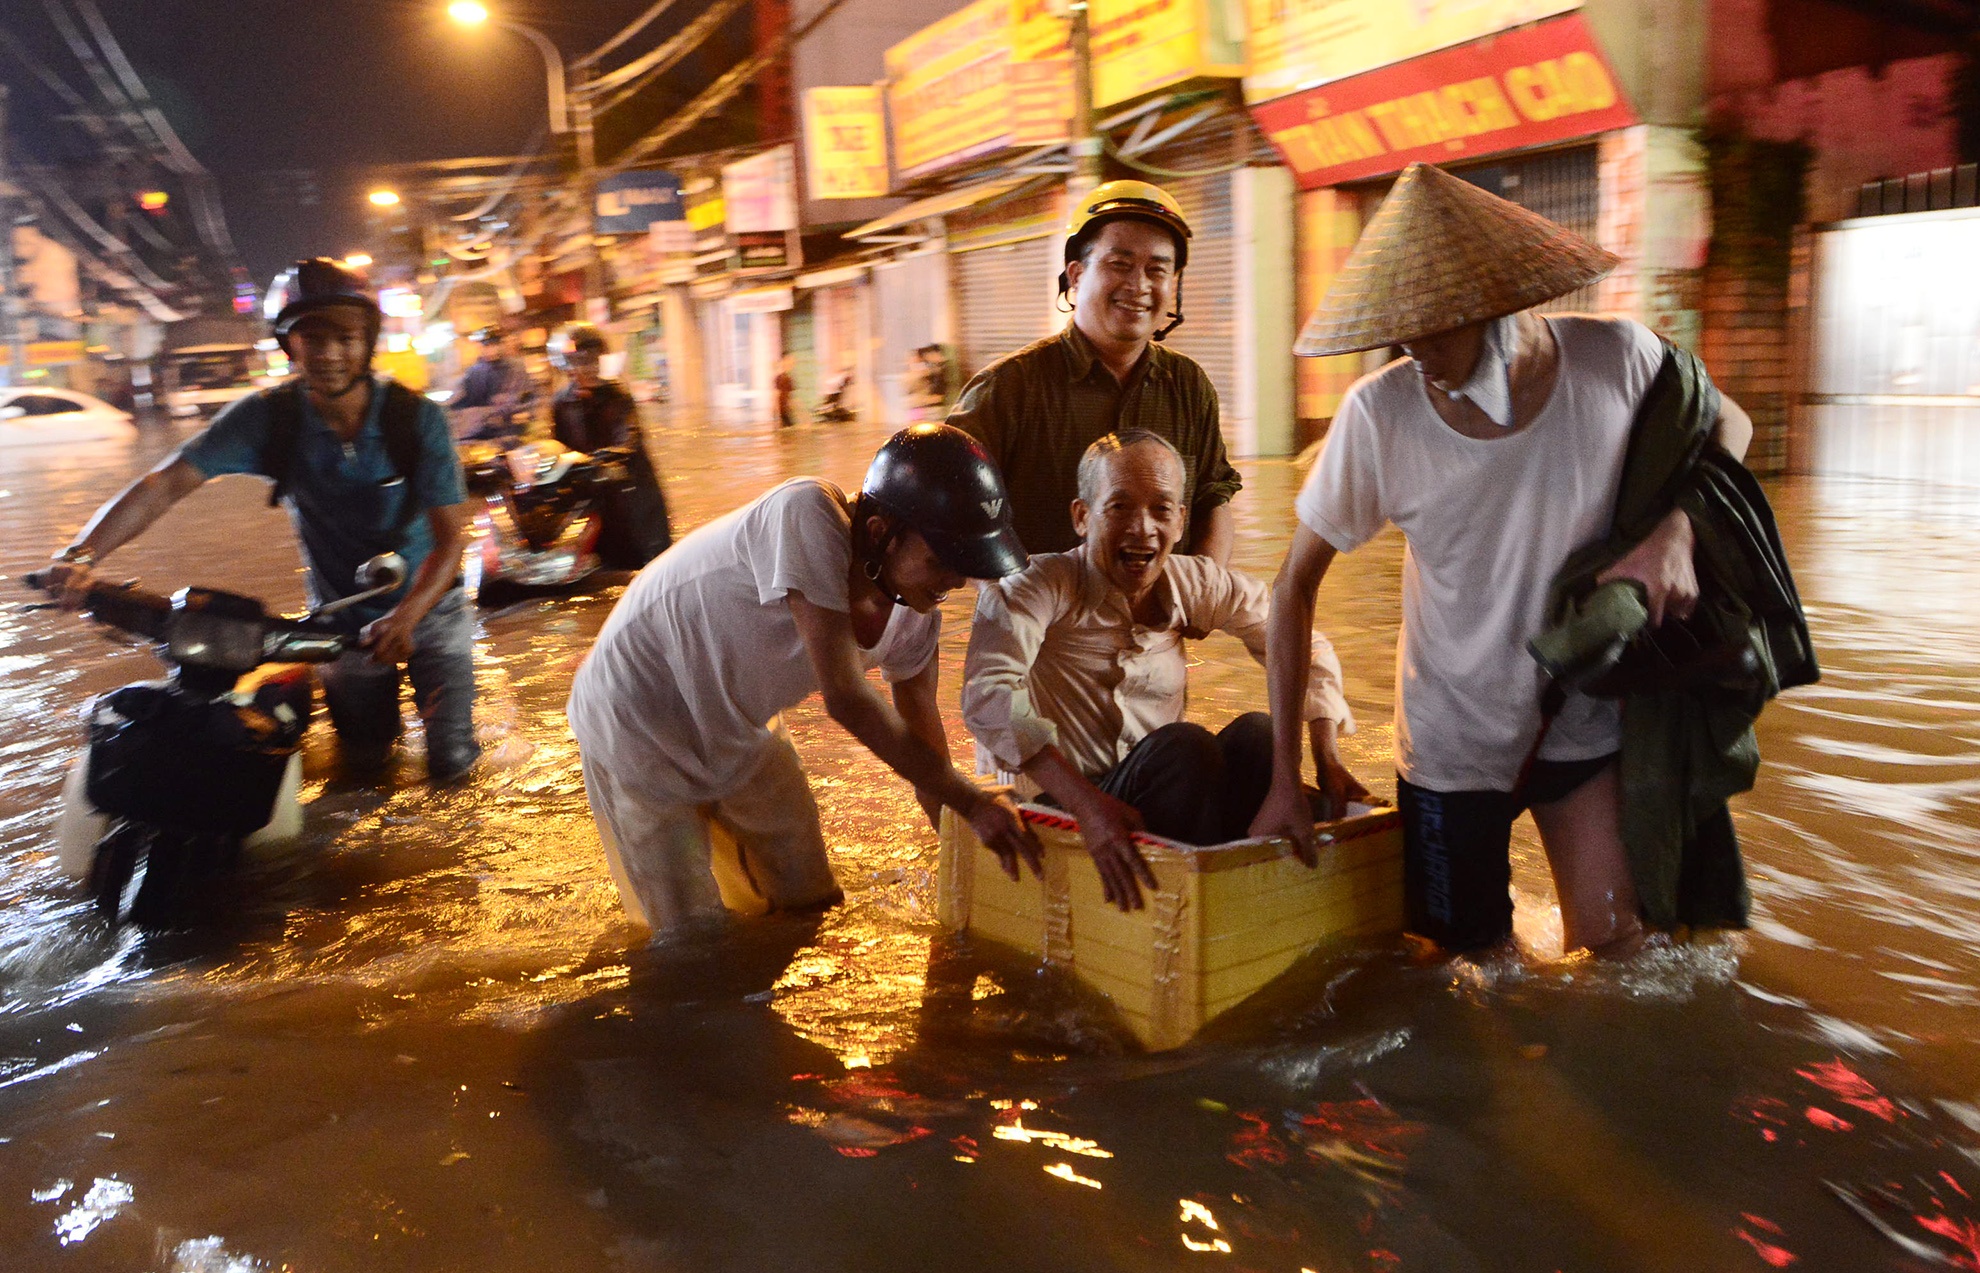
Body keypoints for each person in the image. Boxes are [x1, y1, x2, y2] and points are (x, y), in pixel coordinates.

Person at [1249, 162, 1756, 959]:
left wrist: (1677, 534)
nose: (1413, 347)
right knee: (1473, 979)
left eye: (1435, 323)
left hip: (1581, 719)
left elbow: (1732, 427)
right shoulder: (1378, 416)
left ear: (1498, 303)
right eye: (1399, 326)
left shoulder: (1617, 361)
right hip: (1452, 747)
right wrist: (1285, 775)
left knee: (1624, 954)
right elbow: (1291, 588)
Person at [566, 423, 1044, 937]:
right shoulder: (808, 512)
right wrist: (973, 800)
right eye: (940, 561)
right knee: (689, 935)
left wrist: (960, 852)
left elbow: (927, 746)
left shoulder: (916, 618)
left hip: (737, 721)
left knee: (810, 896)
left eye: (967, 565)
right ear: (881, 532)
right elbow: (846, 699)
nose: (956, 581)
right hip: (635, 709)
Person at [49, 258, 478, 781]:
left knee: (453, 762)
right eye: (311, 338)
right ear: (288, 345)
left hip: (431, 611)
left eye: (345, 337)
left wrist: (407, 616)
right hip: (340, 624)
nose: (329, 354)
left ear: (368, 341)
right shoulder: (267, 418)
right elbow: (163, 486)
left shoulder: (416, 420)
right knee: (366, 764)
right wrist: (81, 554)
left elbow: (452, 539)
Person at [962, 430, 1359, 912]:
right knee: (1185, 749)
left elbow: (1303, 642)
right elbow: (988, 693)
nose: (1142, 528)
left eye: (1161, 510)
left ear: (1181, 521)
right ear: (1082, 517)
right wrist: (1088, 805)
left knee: (1262, 736)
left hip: (1158, 803)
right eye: (1120, 508)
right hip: (1060, 808)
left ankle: (1262, 877)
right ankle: (1197, 903)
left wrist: (1326, 756)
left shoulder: (1193, 583)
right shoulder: (1036, 585)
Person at [949, 180, 1242, 564]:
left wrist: (1202, 591)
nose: (1138, 285)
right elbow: (949, 510)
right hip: (1037, 620)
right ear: (1075, 275)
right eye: (1119, 264)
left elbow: (1212, 497)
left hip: (1160, 620)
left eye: (1157, 270)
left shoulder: (1189, 385)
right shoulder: (1007, 388)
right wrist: (1014, 602)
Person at [548, 322, 672, 569]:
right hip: (589, 492)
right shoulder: (561, 403)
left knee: (645, 560)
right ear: (566, 366)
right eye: (579, 361)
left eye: (592, 360)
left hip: (628, 491)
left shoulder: (617, 396)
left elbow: (629, 435)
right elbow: (555, 446)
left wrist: (614, 454)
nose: (588, 368)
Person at [450, 324, 535, 446]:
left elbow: (527, 398)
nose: (490, 349)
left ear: (500, 344)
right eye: (486, 345)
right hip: (485, 436)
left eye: (493, 344)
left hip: (513, 433)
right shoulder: (475, 372)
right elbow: (461, 402)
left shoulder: (516, 368)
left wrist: (522, 412)